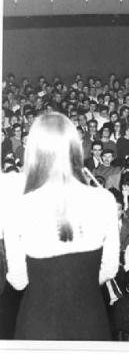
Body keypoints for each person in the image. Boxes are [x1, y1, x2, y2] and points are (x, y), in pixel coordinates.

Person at [3, 112, 119, 339]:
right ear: (75, 148)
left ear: (33, 151)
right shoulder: (104, 199)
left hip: (38, 325)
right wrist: (78, 285)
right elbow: (110, 268)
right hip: (90, 321)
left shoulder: (19, 206)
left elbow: (18, 280)